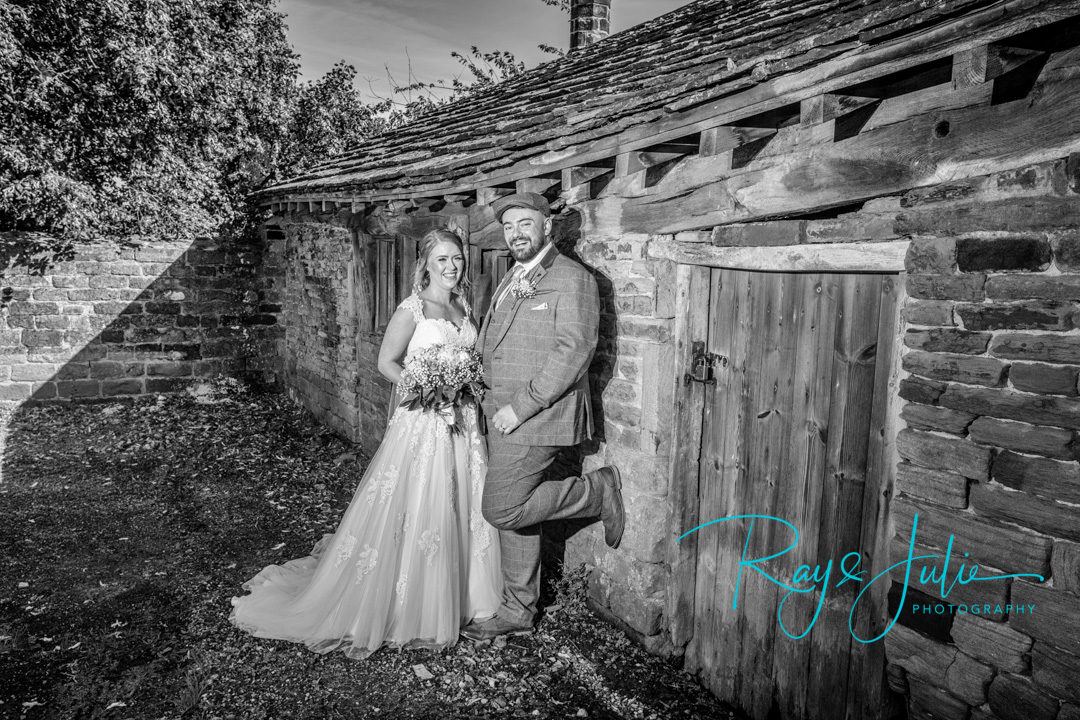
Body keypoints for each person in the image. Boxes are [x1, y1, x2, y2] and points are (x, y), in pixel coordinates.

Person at [230, 228, 502, 658]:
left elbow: (469, 360)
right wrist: (427, 385)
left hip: (463, 423)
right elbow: (385, 363)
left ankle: (467, 595)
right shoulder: (412, 309)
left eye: (458, 259)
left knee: (464, 502)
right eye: (443, 260)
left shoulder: (462, 306)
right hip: (426, 422)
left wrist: (462, 385)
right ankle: (417, 604)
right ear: (425, 264)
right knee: (422, 503)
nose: (452, 267)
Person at [461, 192, 624, 642]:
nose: (516, 234)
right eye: (509, 227)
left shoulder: (573, 278)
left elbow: (574, 351)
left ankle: (596, 491)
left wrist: (521, 406)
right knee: (519, 509)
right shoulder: (513, 275)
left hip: (536, 416)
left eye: (525, 224)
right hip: (498, 412)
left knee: (502, 507)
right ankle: (518, 609)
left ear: (546, 227)